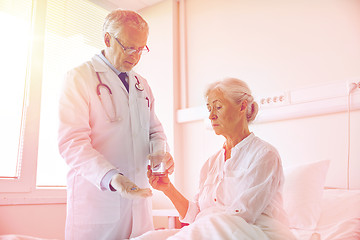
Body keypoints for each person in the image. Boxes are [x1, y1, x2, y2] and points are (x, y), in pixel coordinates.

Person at [58, 9, 174, 240]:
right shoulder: (80, 77)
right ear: (107, 39)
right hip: (98, 205)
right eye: (128, 47)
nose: (135, 56)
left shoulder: (142, 84)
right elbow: (72, 143)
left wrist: (161, 153)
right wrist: (112, 177)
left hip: (138, 206)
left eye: (141, 49)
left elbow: (155, 131)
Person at [134, 78, 296, 239]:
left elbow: (242, 216)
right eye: (209, 109)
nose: (211, 116)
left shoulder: (264, 154)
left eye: (218, 107)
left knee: (212, 224)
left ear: (242, 106)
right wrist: (167, 188)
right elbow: (195, 215)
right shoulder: (211, 163)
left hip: (253, 232)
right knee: (149, 237)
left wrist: (202, 225)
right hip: (211, 230)